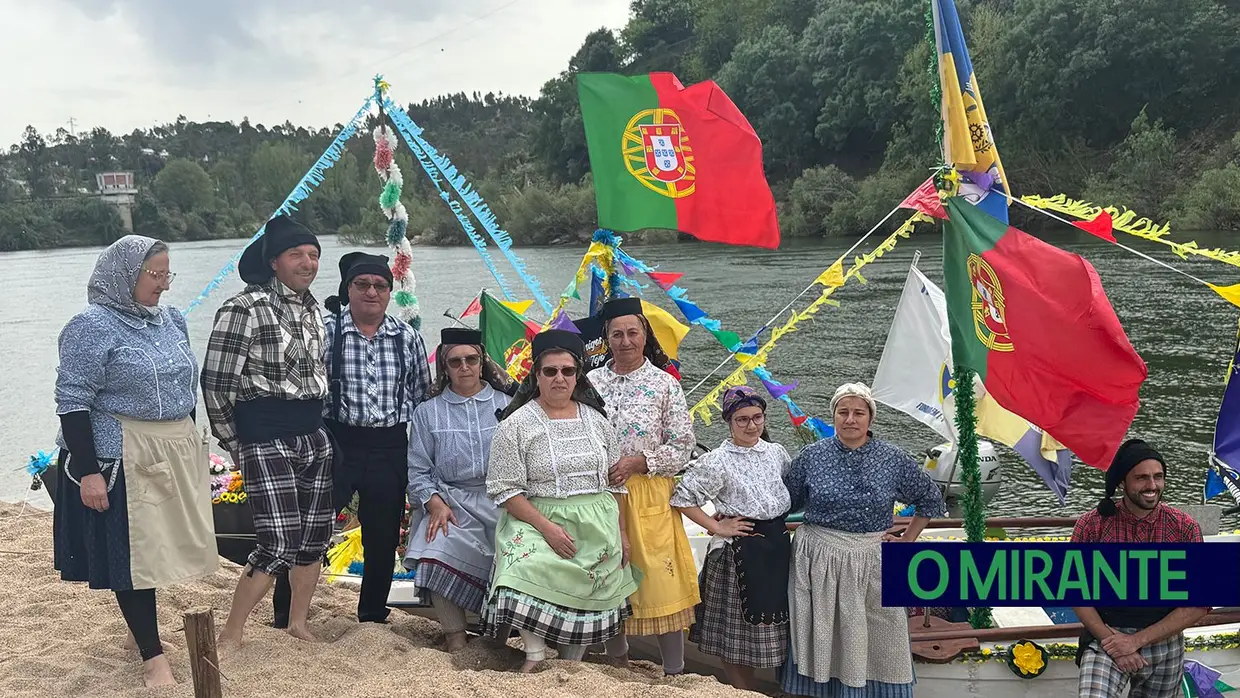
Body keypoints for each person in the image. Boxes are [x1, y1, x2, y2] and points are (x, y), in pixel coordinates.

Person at [52, 236, 218, 687]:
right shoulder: (90, 326)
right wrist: (88, 472)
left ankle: (136, 632)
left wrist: (194, 444)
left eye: (168, 274)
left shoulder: (171, 320)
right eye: (155, 275)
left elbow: (188, 385)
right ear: (125, 275)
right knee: (134, 557)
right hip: (117, 453)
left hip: (169, 446)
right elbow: (71, 402)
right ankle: (152, 656)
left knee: (160, 550)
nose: (164, 284)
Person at [201, 214, 335, 649]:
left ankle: (298, 623)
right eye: (297, 254)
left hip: (314, 435)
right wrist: (237, 444)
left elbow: (319, 374)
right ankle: (232, 633)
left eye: (313, 254)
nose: (307, 262)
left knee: (315, 537)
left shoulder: (317, 311)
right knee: (277, 541)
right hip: (265, 435)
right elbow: (216, 383)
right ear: (274, 261)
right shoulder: (244, 308)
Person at [482, 330, 639, 673]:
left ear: (577, 375)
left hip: (597, 521)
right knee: (519, 568)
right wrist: (548, 529)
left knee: (590, 583)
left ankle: (572, 666)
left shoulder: (598, 421)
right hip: (536, 518)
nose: (559, 378)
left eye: (568, 371)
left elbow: (616, 486)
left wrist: (623, 534)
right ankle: (535, 654)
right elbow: (505, 490)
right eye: (550, 371)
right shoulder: (515, 425)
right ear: (536, 375)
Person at [781, 382, 947, 698]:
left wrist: (908, 539)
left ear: (870, 418)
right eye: (843, 412)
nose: (850, 419)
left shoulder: (892, 458)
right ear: (834, 417)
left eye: (858, 412)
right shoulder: (812, 456)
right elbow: (783, 502)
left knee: (880, 632)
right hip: (818, 557)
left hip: (872, 558)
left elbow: (929, 498)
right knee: (823, 631)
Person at [587, 297, 699, 675]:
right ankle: (616, 662)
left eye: (633, 332)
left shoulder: (665, 384)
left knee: (660, 583)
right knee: (610, 578)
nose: (625, 341)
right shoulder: (590, 381)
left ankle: (674, 671)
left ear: (645, 334)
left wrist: (641, 462)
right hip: (601, 495)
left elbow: (683, 447)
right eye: (616, 334)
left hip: (650, 492)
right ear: (606, 338)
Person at [322, 251, 431, 624]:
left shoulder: (407, 337)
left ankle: (371, 614)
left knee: (382, 537)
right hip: (338, 442)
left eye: (380, 285)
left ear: (389, 292)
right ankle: (290, 612)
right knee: (314, 526)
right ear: (348, 289)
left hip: (389, 444)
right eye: (362, 284)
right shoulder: (327, 331)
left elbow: (421, 399)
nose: (372, 292)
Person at [671, 386, 793, 691]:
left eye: (757, 417)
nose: (751, 425)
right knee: (735, 634)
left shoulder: (776, 452)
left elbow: (790, 491)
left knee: (777, 623)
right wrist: (717, 527)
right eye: (742, 420)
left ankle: (771, 685)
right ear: (729, 422)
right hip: (738, 551)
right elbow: (682, 497)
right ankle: (743, 691)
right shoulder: (717, 460)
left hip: (777, 547)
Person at [1071, 439, 1209, 698]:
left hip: (1165, 643)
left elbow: (1199, 603)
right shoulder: (1092, 526)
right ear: (1123, 482)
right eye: (1142, 478)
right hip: (1106, 638)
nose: (1152, 486)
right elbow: (1074, 590)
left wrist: (1135, 642)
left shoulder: (1184, 528)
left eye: (1159, 477)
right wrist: (1115, 644)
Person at [404, 327, 513, 651]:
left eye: (471, 359)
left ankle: (497, 638)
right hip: (451, 501)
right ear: (444, 367)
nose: (464, 367)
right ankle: (455, 636)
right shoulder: (427, 412)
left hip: (502, 500)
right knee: (435, 546)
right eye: (455, 361)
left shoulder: (508, 405)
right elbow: (418, 469)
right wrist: (434, 503)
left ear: (482, 362)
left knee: (517, 556)